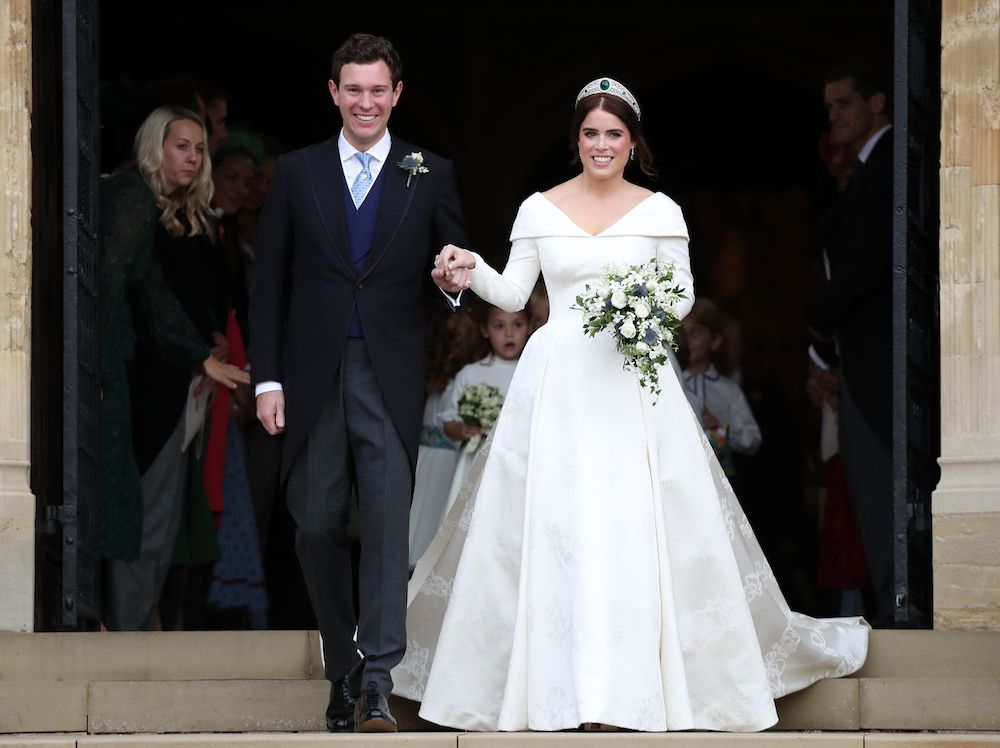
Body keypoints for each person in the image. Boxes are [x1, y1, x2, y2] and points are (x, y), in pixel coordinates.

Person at [391, 76, 870, 733]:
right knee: (554, 527)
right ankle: (549, 689)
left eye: (614, 133)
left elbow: (677, 297)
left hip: (629, 378)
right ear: (575, 141)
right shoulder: (538, 208)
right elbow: (513, 295)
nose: (601, 144)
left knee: (629, 524)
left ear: (633, 142)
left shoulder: (659, 212)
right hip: (555, 381)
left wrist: (637, 304)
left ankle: (630, 688)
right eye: (590, 133)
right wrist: (468, 269)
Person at [249, 32, 469, 733]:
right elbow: (267, 284)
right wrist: (267, 380)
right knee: (314, 524)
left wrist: (452, 283)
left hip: (390, 371)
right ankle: (342, 663)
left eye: (379, 90)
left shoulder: (430, 171)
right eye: (354, 89)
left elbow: (453, 270)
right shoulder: (297, 171)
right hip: (311, 373)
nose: (366, 101)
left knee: (383, 525)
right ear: (334, 93)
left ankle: (377, 679)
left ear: (396, 94)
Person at [99, 105, 250, 632]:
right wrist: (196, 352)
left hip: (178, 383)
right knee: (142, 518)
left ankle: (133, 633)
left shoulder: (183, 216)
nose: (191, 156)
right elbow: (127, 295)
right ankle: (125, 637)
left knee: (159, 522)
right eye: (180, 145)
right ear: (153, 147)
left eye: (198, 148)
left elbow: (165, 295)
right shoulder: (131, 198)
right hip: (142, 385)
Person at [806, 60, 893, 627]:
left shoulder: (887, 167)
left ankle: (895, 616)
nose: (834, 115)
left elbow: (867, 262)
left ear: (877, 103)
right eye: (829, 105)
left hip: (884, 362)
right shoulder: (868, 168)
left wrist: (816, 322)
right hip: (856, 357)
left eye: (844, 103)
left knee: (882, 496)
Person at [438, 302, 530, 523]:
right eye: (499, 326)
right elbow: (448, 422)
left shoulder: (533, 373)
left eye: (517, 324)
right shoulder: (471, 374)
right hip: (475, 462)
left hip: (520, 463)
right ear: (485, 330)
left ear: (530, 327)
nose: (509, 333)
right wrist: (463, 430)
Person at [407, 304, 480, 569]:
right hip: (439, 457)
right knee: (426, 514)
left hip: (438, 456)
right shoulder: (449, 381)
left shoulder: (455, 379)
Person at [679, 297, 762, 484]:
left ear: (715, 341)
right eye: (683, 334)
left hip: (720, 481)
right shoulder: (672, 385)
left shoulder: (728, 390)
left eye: (695, 333)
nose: (688, 341)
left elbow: (752, 438)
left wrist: (719, 430)